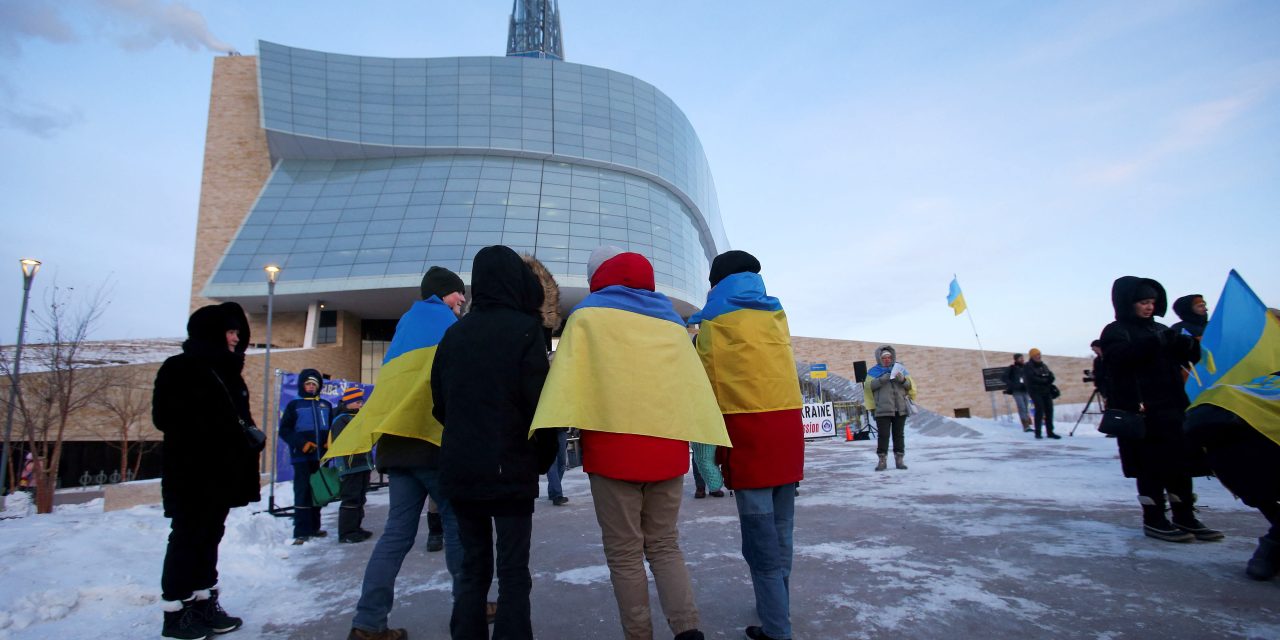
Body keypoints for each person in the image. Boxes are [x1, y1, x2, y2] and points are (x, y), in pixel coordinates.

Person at [531, 246, 726, 640]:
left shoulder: (587, 316)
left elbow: (565, 381)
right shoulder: (671, 320)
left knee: (624, 555)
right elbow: (689, 385)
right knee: (666, 546)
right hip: (667, 448)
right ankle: (688, 631)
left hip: (612, 450)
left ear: (596, 276)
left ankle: (639, 635)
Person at [326, 266, 468, 640]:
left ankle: (368, 623)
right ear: (443, 293)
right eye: (458, 295)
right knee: (457, 525)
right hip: (432, 444)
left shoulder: (404, 325)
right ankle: (471, 605)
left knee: (396, 535)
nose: (463, 301)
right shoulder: (448, 325)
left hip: (396, 446)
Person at [432, 245, 557, 640]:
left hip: (461, 469)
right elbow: (540, 405)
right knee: (513, 572)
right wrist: (541, 458)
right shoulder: (525, 331)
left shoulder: (454, 334)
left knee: (472, 570)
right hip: (511, 468)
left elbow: (440, 402)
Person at [689, 250, 804, 640]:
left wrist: (709, 455)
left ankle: (777, 629)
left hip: (749, 441)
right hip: (787, 437)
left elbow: (703, 390)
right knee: (782, 531)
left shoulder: (714, 323)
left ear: (717, 282)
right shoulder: (775, 314)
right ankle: (777, 610)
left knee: (760, 544)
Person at [153, 302, 259, 639]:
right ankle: (175, 611)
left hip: (222, 475)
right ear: (212, 333)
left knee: (210, 536)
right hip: (192, 475)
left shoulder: (229, 373)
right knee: (187, 537)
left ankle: (203, 603)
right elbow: (165, 417)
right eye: (230, 332)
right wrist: (216, 430)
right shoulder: (180, 368)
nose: (235, 338)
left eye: (237, 333)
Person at [1099, 276, 1221, 543]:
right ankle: (1154, 518)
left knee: (1180, 465)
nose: (1149, 307)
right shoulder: (1116, 331)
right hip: (1142, 412)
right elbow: (1119, 359)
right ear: (1127, 303)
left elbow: (1189, 358)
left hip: (1172, 408)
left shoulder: (1160, 328)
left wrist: (1188, 346)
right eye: (1143, 302)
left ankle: (1184, 514)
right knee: (1150, 467)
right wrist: (1156, 343)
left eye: (1152, 302)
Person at [278, 368, 333, 544]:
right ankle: (301, 531)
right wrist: (302, 444)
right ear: (302, 385)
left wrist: (329, 442)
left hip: (320, 457)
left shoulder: (325, 405)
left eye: (314, 384)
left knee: (317, 491)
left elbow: (331, 428)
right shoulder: (294, 405)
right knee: (302, 491)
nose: (310, 387)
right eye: (308, 384)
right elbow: (285, 430)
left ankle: (315, 527)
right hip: (302, 457)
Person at [330, 386, 374, 544]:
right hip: (350, 466)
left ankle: (356, 528)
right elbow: (342, 441)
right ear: (348, 402)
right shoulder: (341, 419)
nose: (361, 405)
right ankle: (346, 532)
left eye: (361, 401)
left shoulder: (360, 417)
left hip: (363, 464)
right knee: (351, 498)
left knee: (360, 498)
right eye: (357, 402)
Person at [864, 345, 916, 470]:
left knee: (899, 435)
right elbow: (868, 387)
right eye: (884, 357)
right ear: (879, 358)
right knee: (883, 435)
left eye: (889, 357)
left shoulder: (900, 370)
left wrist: (902, 379)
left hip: (900, 408)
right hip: (882, 409)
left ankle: (899, 460)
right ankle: (882, 460)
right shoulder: (873, 372)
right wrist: (882, 379)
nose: (887, 359)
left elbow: (909, 385)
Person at [1024, 348, 1060, 439]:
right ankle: (1038, 432)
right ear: (1032, 356)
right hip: (1035, 391)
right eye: (1036, 355)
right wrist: (1044, 380)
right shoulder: (1028, 366)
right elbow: (1032, 378)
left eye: (1039, 354)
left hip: (1046, 390)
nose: (1038, 356)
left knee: (1049, 410)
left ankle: (1050, 432)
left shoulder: (1043, 365)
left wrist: (1047, 379)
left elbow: (1050, 376)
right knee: (1039, 410)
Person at [1003, 353, 1033, 432]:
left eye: (1022, 358)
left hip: (1025, 390)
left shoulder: (1026, 368)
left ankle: (1028, 423)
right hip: (1017, 391)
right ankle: (1025, 425)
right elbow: (1004, 378)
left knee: (1026, 407)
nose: (1022, 359)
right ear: (1016, 359)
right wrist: (1012, 385)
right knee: (1021, 407)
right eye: (1020, 358)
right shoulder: (1012, 368)